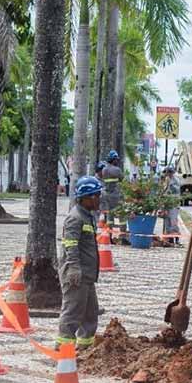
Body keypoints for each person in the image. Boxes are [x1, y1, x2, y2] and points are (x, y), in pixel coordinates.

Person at [58, 176, 104, 350]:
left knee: (90, 314)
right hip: (77, 275)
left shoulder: (87, 216)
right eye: (96, 195)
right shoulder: (75, 218)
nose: (99, 198)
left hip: (87, 274)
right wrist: (74, 268)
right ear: (86, 197)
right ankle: (64, 352)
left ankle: (85, 348)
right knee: (72, 313)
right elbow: (70, 244)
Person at [101, 150, 123, 228]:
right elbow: (122, 180)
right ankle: (122, 235)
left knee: (110, 215)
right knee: (122, 215)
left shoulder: (104, 170)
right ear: (113, 159)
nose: (117, 161)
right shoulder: (117, 170)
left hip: (107, 195)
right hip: (116, 195)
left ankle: (109, 234)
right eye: (116, 159)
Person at [160, 165, 181, 246]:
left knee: (173, 221)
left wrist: (169, 183)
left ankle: (176, 238)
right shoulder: (164, 180)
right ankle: (170, 239)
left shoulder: (175, 180)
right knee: (167, 222)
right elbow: (163, 191)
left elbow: (175, 190)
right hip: (166, 203)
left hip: (174, 204)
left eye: (168, 172)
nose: (167, 174)